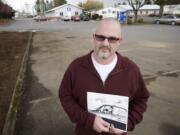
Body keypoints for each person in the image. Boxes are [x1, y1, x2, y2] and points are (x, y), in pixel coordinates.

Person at [59, 18, 150, 135]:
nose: (105, 43)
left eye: (112, 39)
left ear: (119, 41)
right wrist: (89, 121)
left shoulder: (131, 70)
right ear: (93, 38)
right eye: (100, 37)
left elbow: (141, 99)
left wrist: (128, 122)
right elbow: (65, 96)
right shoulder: (76, 67)